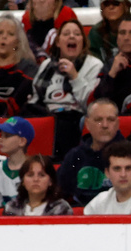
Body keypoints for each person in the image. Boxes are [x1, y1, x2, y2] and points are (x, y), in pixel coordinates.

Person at [25, 19, 104, 160]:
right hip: (47, 116)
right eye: (66, 34)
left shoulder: (94, 65)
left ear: (83, 42)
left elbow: (91, 105)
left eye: (77, 34)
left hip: (75, 116)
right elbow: (36, 97)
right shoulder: (47, 65)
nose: (72, 37)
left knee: (63, 123)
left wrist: (75, 76)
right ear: (58, 42)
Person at [59, 98, 131, 206]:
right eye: (98, 120)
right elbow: (58, 192)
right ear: (87, 124)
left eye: (110, 120)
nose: (105, 125)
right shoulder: (75, 156)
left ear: (117, 123)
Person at [0, 14, 38, 132]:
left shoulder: (28, 70)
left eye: (10, 34)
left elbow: (16, 107)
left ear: (17, 42)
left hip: (12, 127)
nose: (4, 37)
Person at [0, 116, 31, 208]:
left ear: (22, 141)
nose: (1, 139)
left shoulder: (35, 170)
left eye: (7, 136)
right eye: (1, 135)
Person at [2, 154, 71, 215]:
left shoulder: (61, 208)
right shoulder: (12, 207)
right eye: (30, 175)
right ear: (22, 181)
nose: (36, 179)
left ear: (50, 181)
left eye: (41, 175)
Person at [88, 0, 131, 65]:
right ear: (102, 9)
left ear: (125, 6)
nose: (111, 7)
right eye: (106, 4)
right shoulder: (96, 32)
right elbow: (92, 63)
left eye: (115, 3)